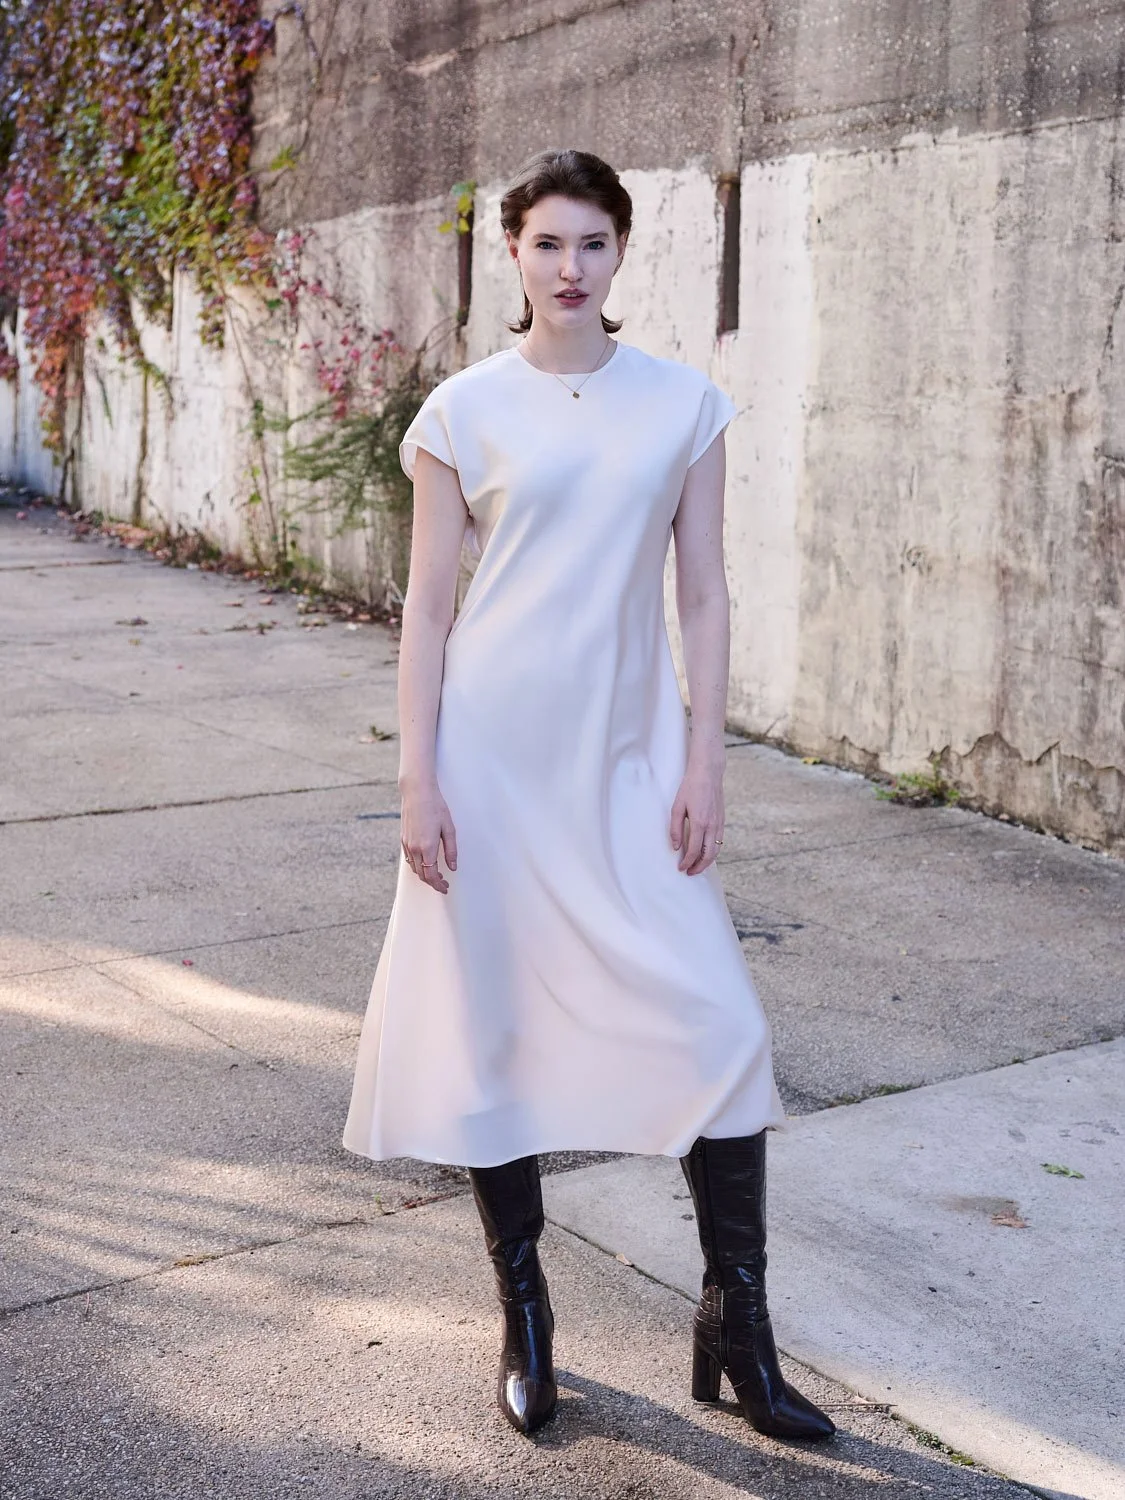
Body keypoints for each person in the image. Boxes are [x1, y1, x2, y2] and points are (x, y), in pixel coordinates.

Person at [343, 147, 834, 1444]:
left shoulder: (684, 408)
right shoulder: (462, 413)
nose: (571, 267)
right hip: (490, 769)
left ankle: (741, 1324)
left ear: (625, 255)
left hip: (626, 767)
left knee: (721, 1035)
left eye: (594, 244)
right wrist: (417, 779)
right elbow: (429, 607)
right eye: (548, 243)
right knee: (490, 1038)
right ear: (512, 254)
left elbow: (705, 595)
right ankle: (527, 1316)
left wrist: (704, 760)